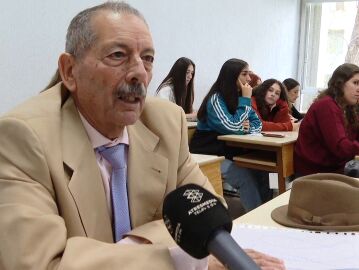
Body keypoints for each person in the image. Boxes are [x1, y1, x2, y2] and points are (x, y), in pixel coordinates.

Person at [0, 2, 285, 270]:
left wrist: (122, 249)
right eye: (118, 55)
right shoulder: (22, 137)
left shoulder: (164, 122)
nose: (140, 72)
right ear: (69, 70)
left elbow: (209, 214)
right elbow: (41, 263)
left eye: (147, 58)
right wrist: (180, 258)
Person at [189, 58, 273, 212]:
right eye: (244, 74)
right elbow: (231, 126)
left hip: (228, 152)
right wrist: (246, 101)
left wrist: (244, 127)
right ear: (232, 76)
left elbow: (257, 124)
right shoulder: (216, 98)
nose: (249, 79)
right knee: (244, 176)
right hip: (208, 154)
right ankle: (255, 220)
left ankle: (264, 213)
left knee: (263, 172)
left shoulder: (238, 97)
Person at [294, 63, 359, 176]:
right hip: (314, 173)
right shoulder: (326, 105)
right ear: (340, 84)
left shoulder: (347, 108)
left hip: (334, 169)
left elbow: (356, 138)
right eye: (355, 83)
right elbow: (340, 147)